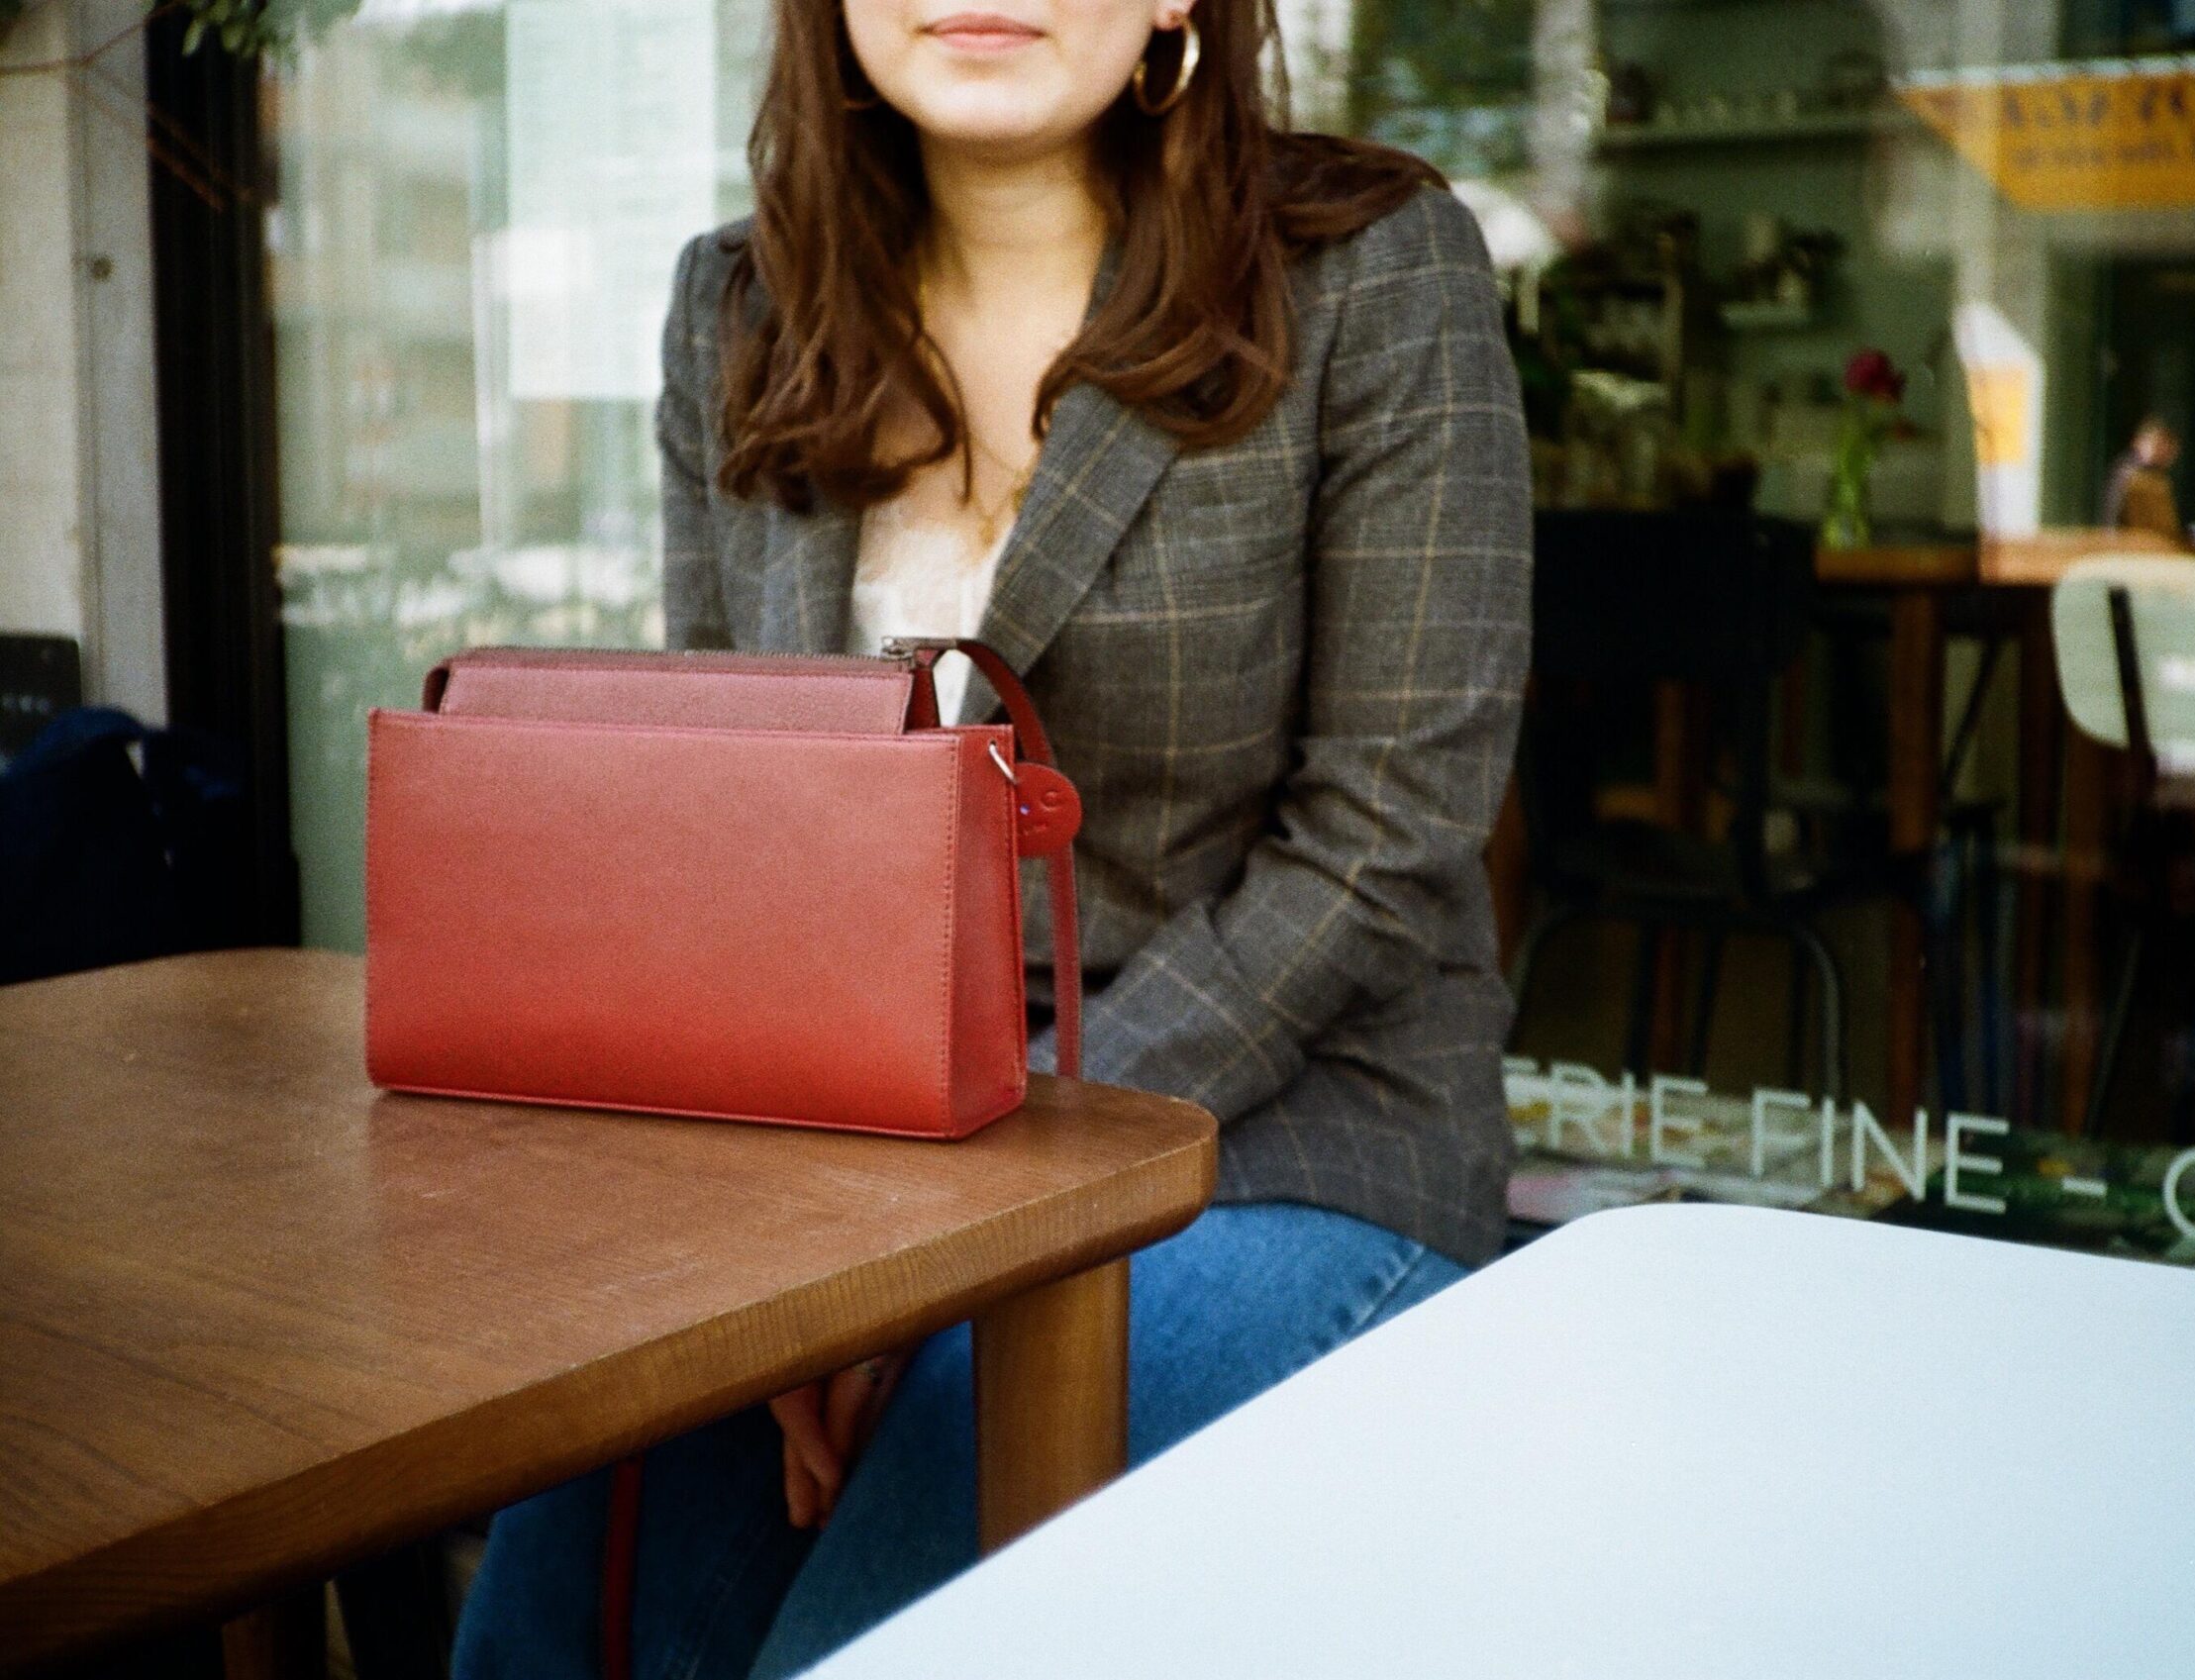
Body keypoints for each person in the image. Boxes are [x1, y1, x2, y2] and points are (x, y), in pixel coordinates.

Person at [450, 2, 1532, 1676]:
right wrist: (797, 1266)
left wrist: (953, 1222)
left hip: (1289, 1141)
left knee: (861, 1644)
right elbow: (730, 833)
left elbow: (1385, 841)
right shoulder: (732, 306)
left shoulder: (1375, 273)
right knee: (552, 1617)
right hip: (864, 1168)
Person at [2101, 416, 2183, 543]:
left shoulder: (2158, 478)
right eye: (2157, 444)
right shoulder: (2131, 476)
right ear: (2138, 442)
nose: (2164, 451)